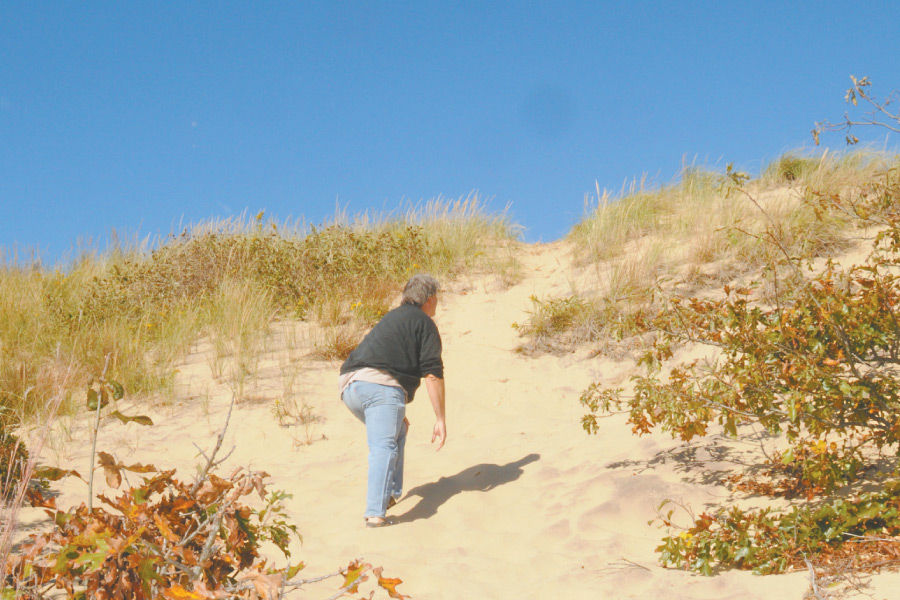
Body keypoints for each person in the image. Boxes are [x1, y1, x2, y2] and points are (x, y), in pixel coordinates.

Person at [339, 273, 447, 528]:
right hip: (380, 388)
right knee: (383, 447)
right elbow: (432, 374)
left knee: (399, 428)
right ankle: (376, 514)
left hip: (349, 386)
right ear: (430, 300)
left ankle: (390, 495)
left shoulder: (391, 317)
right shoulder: (424, 323)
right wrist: (440, 418)